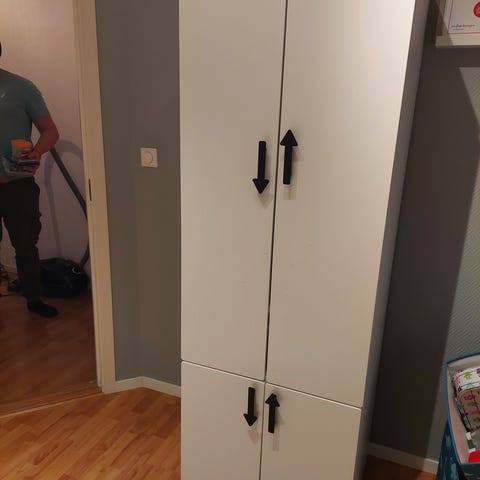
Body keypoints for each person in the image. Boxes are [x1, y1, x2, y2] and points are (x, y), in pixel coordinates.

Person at [0, 42, 60, 318]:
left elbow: (50, 131)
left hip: (18, 185)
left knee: (25, 244)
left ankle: (34, 298)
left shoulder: (21, 87)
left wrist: (36, 152)